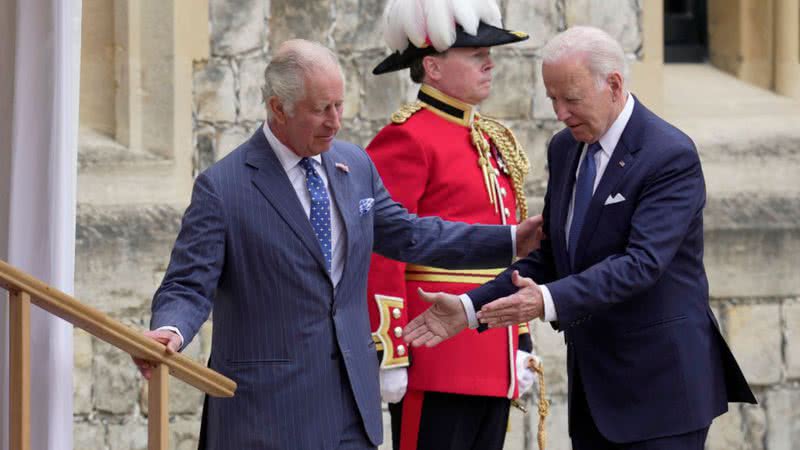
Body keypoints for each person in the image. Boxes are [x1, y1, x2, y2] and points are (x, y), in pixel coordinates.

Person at [131, 39, 541, 450]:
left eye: (339, 106)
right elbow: (187, 284)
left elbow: (411, 234)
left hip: (350, 408)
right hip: (265, 413)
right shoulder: (223, 187)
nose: (335, 121)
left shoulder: (354, 165)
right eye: (320, 109)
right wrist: (170, 330)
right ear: (278, 108)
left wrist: (510, 239)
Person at [404, 26, 757, 450]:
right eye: (552, 99)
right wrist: (468, 307)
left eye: (571, 99)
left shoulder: (669, 154)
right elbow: (550, 256)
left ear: (613, 85)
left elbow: (640, 264)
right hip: (594, 390)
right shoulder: (565, 148)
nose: (560, 113)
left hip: (661, 392)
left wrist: (545, 301)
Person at [365, 1, 541, 449]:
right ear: (432, 67)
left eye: (488, 50)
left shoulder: (490, 137)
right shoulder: (408, 136)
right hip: (436, 358)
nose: (489, 61)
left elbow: (510, 254)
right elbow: (383, 249)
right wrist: (391, 350)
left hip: (492, 352)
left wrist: (519, 338)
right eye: (474, 52)